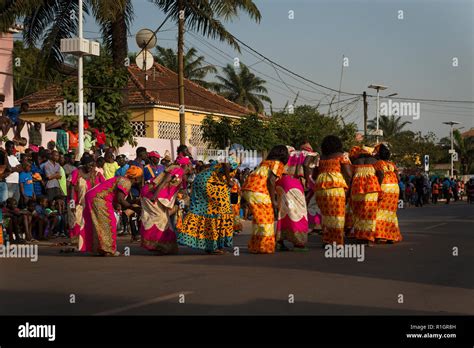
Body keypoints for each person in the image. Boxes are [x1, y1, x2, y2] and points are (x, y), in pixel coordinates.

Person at [178, 156, 238, 255]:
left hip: (203, 180)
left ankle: (210, 245)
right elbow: (226, 164)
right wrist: (228, 180)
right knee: (219, 211)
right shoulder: (233, 160)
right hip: (209, 182)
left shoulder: (219, 164)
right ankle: (214, 246)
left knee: (207, 211)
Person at [82, 166, 143, 256]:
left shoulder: (122, 179)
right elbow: (120, 199)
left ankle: (100, 249)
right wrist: (134, 208)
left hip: (94, 196)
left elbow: (116, 196)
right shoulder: (127, 182)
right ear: (136, 178)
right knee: (108, 222)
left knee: (98, 223)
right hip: (99, 198)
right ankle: (108, 250)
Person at [242, 145, 289, 253]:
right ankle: (264, 246)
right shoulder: (277, 164)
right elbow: (271, 181)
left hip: (248, 188)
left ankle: (256, 246)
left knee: (259, 219)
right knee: (266, 218)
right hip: (259, 191)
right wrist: (273, 201)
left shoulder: (265, 162)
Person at [140, 159, 192, 254]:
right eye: (191, 164)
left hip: (157, 196)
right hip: (151, 194)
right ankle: (158, 245)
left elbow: (176, 192)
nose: (192, 167)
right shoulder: (178, 169)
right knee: (161, 219)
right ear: (187, 165)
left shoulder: (182, 176)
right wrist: (155, 195)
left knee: (164, 220)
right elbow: (164, 181)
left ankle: (164, 247)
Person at [312, 136, 352, 245]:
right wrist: (347, 187)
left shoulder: (320, 158)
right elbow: (348, 174)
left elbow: (314, 174)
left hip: (321, 186)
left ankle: (327, 240)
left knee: (325, 214)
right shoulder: (342, 156)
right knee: (337, 214)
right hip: (336, 185)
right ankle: (337, 241)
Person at [275, 147, 309, 251]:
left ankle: (279, 241)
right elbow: (306, 166)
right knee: (298, 212)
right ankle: (299, 243)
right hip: (294, 183)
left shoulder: (280, 159)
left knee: (283, 212)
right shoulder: (301, 155)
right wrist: (307, 180)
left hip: (280, 183)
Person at [68, 155, 105, 249]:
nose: (91, 167)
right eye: (89, 165)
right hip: (78, 204)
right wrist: (72, 204)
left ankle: (89, 244)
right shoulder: (76, 173)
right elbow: (72, 187)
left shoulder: (97, 174)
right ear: (84, 164)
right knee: (76, 224)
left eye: (93, 165)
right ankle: (77, 245)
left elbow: (104, 187)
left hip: (92, 205)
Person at [349, 146, 381, 244]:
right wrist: (379, 184)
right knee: (369, 213)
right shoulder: (375, 161)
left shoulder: (355, 162)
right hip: (371, 188)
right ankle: (368, 237)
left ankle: (359, 235)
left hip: (356, 188)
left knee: (357, 212)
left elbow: (350, 176)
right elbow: (381, 173)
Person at [373, 144, 402, 243]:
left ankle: (380, 235)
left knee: (380, 211)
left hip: (384, 186)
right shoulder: (392, 164)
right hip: (394, 188)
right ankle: (391, 236)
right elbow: (398, 178)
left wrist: (379, 187)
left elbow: (380, 174)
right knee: (391, 213)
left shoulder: (378, 163)